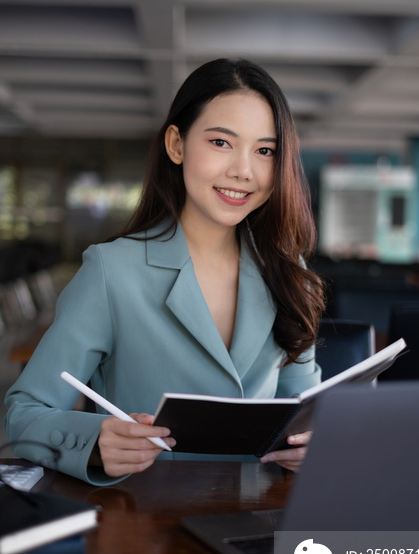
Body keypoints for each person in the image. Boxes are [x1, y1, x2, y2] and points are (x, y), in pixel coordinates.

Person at [5, 58, 325, 486]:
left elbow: (303, 409)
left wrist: (314, 442)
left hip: (255, 521)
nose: (243, 171)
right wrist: (96, 443)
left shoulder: (286, 270)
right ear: (176, 145)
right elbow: (25, 414)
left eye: (265, 151)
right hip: (145, 525)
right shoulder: (112, 270)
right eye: (221, 142)